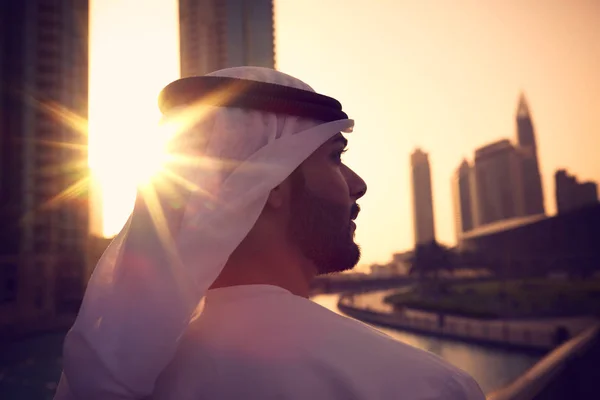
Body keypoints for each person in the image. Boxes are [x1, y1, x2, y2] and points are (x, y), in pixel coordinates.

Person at [55, 67, 485, 400]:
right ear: (270, 181)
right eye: (335, 158)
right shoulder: (422, 386)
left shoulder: (124, 366)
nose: (357, 184)